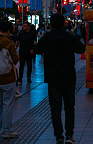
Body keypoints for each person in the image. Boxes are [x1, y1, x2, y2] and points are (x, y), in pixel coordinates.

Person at [34, 14, 85, 144]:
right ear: (64, 24)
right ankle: (69, 135)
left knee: (55, 108)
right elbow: (81, 49)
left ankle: (59, 136)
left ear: (50, 24)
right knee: (69, 107)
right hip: (68, 76)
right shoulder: (69, 37)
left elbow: (37, 49)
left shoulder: (47, 37)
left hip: (53, 77)